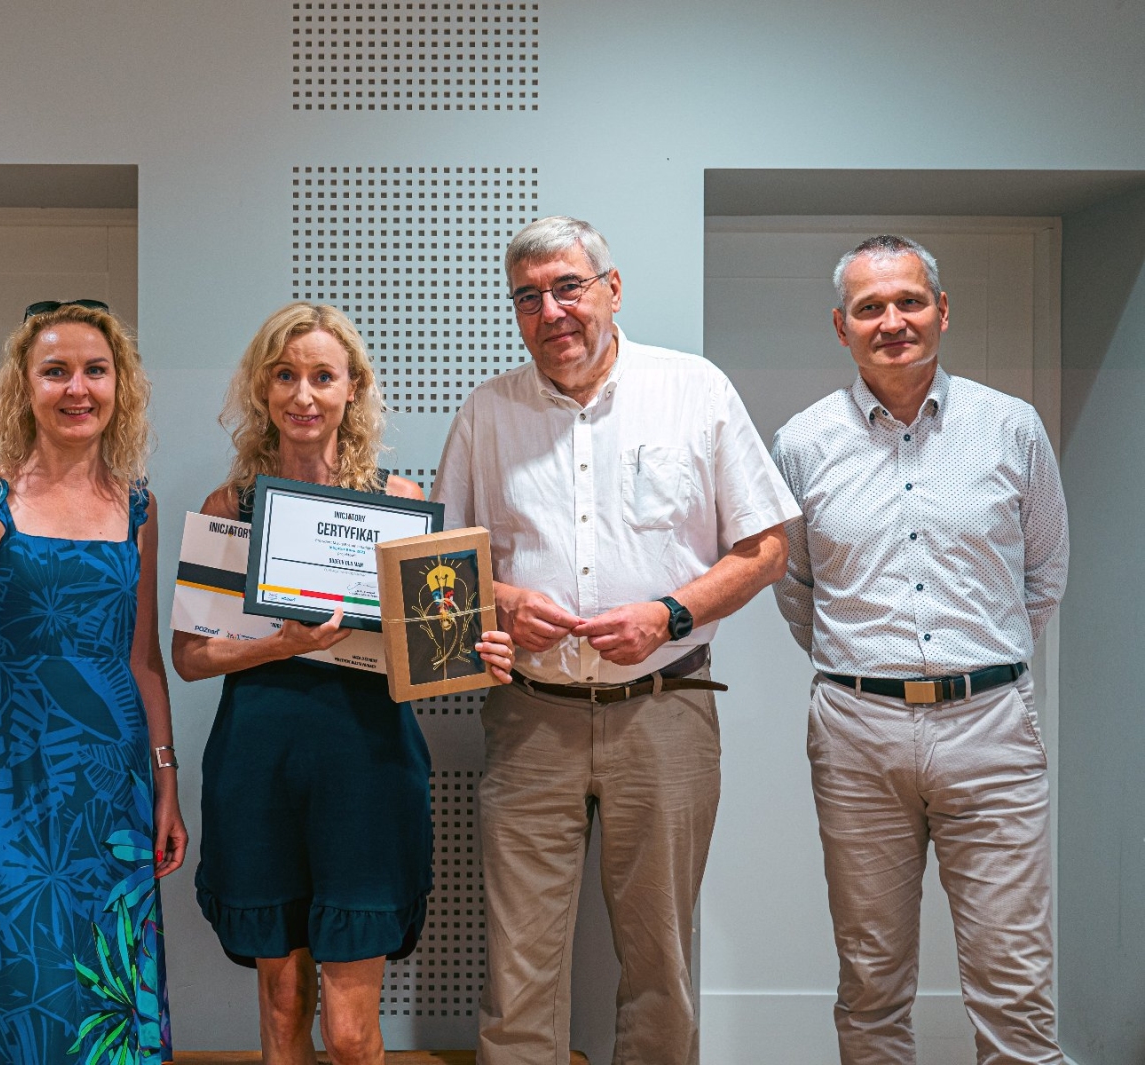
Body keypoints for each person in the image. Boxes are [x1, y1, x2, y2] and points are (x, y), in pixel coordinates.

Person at [432, 216, 800, 1065]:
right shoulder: (488, 413)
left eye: (568, 287)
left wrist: (668, 614)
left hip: (664, 714)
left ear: (612, 289)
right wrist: (499, 601)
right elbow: (436, 573)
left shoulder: (694, 390)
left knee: (661, 958)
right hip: (528, 719)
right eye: (528, 297)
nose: (551, 311)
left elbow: (766, 547)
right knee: (517, 965)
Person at [173, 302, 514, 1065]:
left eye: (322, 377)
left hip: (368, 770)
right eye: (286, 376)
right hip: (259, 768)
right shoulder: (230, 508)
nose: (304, 395)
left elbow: (437, 652)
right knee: (283, 999)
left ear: (352, 389)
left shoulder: (397, 506)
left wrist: (474, 650)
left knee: (353, 1027)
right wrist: (281, 643)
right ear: (263, 390)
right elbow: (190, 657)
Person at [770, 235, 1069, 1064]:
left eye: (909, 301)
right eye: (870, 307)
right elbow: (795, 588)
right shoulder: (802, 443)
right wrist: (871, 670)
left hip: (991, 729)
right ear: (841, 325)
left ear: (943, 309)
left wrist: (980, 667)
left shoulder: (1011, 427)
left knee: (1015, 983)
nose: (891, 321)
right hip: (857, 730)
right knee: (870, 980)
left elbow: (1043, 573)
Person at [0, 300, 185, 1065]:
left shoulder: (138, 505)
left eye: (95, 370)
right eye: (57, 371)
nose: (78, 388)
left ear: (118, 384)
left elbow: (142, 660)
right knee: (18, 973)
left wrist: (166, 784)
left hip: (113, 785)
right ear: (24, 385)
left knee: (110, 986)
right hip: (8, 774)